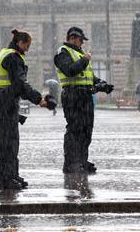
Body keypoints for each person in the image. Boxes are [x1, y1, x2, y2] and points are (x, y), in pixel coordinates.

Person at [0, 29, 48, 190]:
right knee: (7, 143)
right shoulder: (13, 58)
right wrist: (38, 99)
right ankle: (6, 179)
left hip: (3, 100)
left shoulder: (5, 52)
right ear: (20, 43)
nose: (28, 49)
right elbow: (20, 84)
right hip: (5, 100)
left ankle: (11, 175)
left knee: (10, 141)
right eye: (27, 45)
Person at [54, 26, 114, 174]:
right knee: (75, 130)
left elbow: (90, 77)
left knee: (87, 130)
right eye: (81, 40)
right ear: (73, 38)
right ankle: (71, 164)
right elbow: (70, 70)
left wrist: (102, 85)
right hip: (72, 94)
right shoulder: (63, 52)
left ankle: (82, 160)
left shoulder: (80, 54)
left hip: (85, 95)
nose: (82, 44)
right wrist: (84, 60)